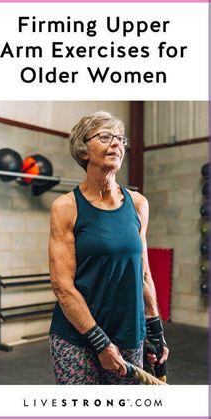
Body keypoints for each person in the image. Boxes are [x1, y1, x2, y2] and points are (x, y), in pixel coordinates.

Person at [48, 111, 169, 385]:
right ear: (83, 149)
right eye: (105, 137)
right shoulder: (66, 207)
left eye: (120, 139)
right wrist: (100, 344)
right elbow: (62, 286)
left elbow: (144, 275)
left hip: (129, 335)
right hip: (77, 339)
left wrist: (155, 330)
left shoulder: (138, 204)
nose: (116, 143)